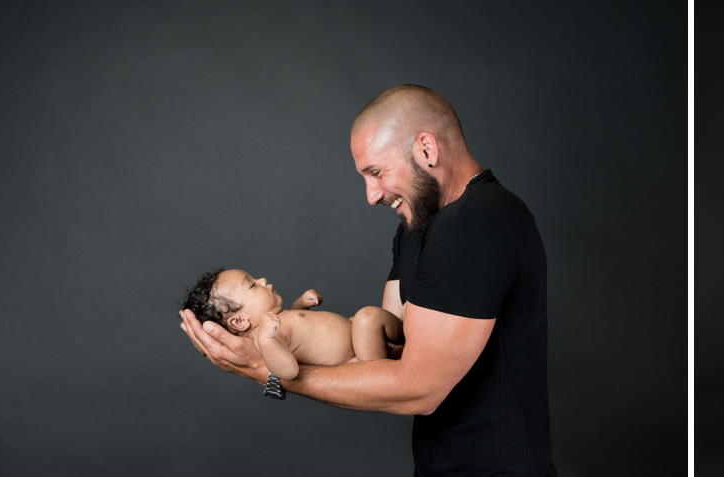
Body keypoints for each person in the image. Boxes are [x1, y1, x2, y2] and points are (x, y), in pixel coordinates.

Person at [180, 84, 553, 475]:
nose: (371, 195)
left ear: (427, 150)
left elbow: (417, 388)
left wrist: (266, 372)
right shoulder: (417, 227)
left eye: (376, 173)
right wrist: (285, 340)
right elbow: (393, 350)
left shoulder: (477, 223)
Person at [178, 268, 404, 396]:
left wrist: (301, 304)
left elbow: (299, 333)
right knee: (367, 317)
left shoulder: (279, 319)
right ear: (240, 321)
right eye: (253, 285)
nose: (263, 279)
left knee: (362, 320)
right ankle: (405, 345)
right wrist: (267, 339)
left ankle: (402, 345)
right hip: (356, 361)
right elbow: (287, 370)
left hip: (356, 339)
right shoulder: (263, 336)